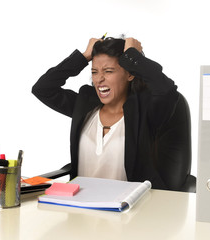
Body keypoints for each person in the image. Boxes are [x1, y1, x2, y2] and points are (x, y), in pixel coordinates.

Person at [32, 36, 191, 190]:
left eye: (108, 71)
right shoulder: (85, 104)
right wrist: (83, 57)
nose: (99, 79)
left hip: (127, 210)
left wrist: (132, 55)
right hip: (79, 207)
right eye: (94, 72)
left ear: (129, 74)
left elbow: (167, 91)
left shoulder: (145, 112)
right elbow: (43, 89)